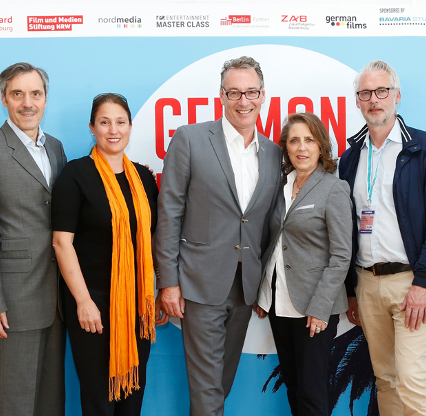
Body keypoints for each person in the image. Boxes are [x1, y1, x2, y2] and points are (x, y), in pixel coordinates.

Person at [156, 56, 282, 416]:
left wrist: (265, 286)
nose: (244, 101)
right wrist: (168, 282)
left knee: (219, 385)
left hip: (245, 288)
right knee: (207, 390)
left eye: (251, 92)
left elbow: (269, 225)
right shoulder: (190, 139)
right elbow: (170, 212)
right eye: (234, 93)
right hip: (199, 284)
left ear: (263, 95)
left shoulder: (273, 153)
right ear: (222, 96)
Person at [339, 60, 426, 416]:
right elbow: (347, 228)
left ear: (397, 96)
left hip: (411, 283)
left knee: (412, 376)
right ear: (357, 101)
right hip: (367, 282)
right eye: (365, 93)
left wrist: (424, 283)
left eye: (381, 91)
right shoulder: (350, 157)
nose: (374, 100)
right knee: (385, 378)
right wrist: (352, 290)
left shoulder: (425, 148)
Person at [0, 62, 67, 416]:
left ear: (45, 99)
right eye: (17, 94)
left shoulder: (55, 148)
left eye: (35, 94)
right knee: (14, 404)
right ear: (4, 99)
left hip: (57, 301)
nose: (27, 103)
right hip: (12, 303)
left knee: (51, 403)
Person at [51, 93, 168, 415]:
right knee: (98, 399)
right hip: (93, 302)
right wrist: (83, 301)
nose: (113, 130)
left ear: (130, 127)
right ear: (92, 128)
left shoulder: (143, 178)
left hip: (136, 303)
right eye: (104, 122)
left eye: (120, 122)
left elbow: (152, 238)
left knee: (132, 395)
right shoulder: (76, 175)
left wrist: (157, 290)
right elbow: (61, 243)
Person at [254, 112, 352, 416]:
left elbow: (341, 255)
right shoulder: (281, 186)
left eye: (309, 140)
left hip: (313, 308)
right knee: (294, 387)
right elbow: (274, 242)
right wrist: (262, 293)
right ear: (286, 147)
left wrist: (320, 308)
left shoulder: (334, 188)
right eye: (294, 140)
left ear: (321, 146)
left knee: (312, 394)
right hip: (279, 304)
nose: (302, 147)